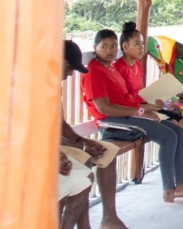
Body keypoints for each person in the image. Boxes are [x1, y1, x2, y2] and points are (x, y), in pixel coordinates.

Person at [81, 29, 183, 205]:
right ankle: (169, 191)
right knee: (167, 136)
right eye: (104, 46)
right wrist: (140, 112)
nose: (110, 50)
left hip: (127, 115)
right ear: (95, 48)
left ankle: (182, 185)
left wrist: (144, 108)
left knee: (179, 131)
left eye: (113, 46)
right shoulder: (94, 71)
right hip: (110, 122)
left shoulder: (110, 67)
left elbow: (124, 99)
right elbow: (104, 108)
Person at [113, 22, 183, 185]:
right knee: (175, 129)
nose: (142, 48)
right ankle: (175, 179)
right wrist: (146, 107)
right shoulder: (118, 67)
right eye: (137, 44)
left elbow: (138, 94)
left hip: (143, 107)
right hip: (131, 113)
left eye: (142, 44)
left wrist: (155, 100)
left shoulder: (136, 65)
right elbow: (122, 100)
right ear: (125, 46)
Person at [62, 40, 128, 229]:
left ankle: (109, 217)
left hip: (57, 142)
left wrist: (82, 140)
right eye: (69, 68)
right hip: (43, 146)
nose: (70, 74)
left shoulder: (54, 85)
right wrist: (81, 146)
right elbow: (42, 133)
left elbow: (61, 125)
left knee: (107, 151)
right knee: (84, 167)